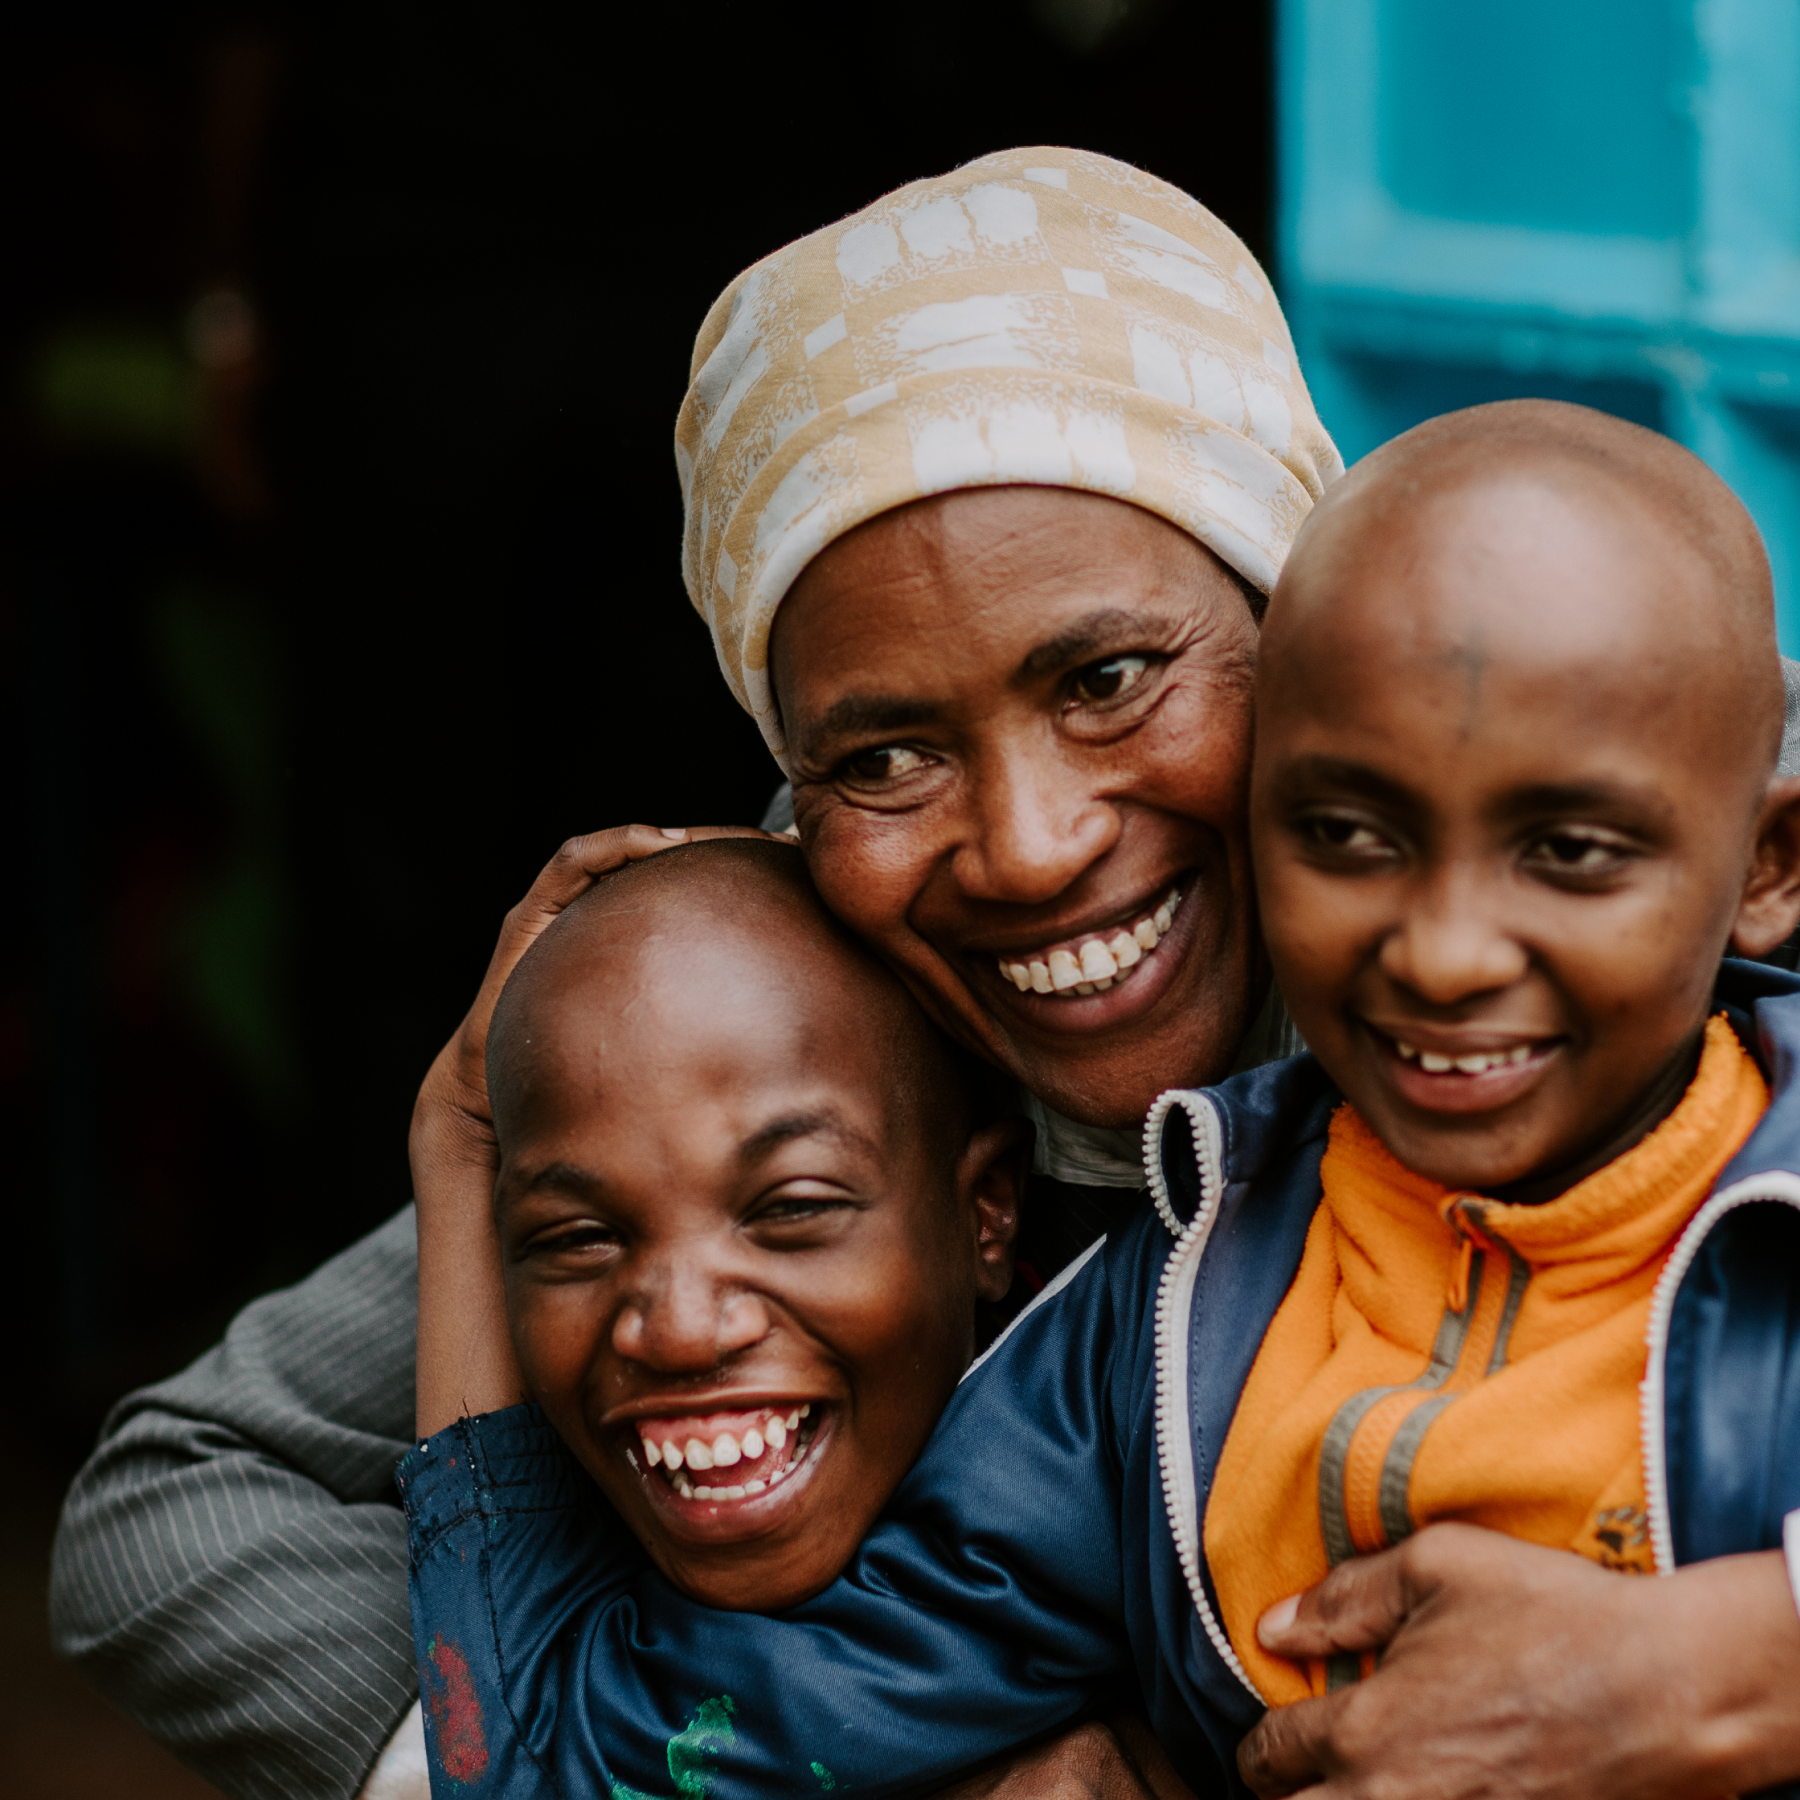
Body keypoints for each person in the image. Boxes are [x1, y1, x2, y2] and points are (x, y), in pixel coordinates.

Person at [48, 148, 1800, 1799]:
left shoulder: (1657, 970)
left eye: (1112, 675)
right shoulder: (796, 1036)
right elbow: (174, 1512)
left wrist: (1726, 1672)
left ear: (1302, 633)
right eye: (882, 759)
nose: (1030, 846)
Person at [402, 401, 1800, 1796]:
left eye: (1566, 849)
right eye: (1346, 836)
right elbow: (575, 1760)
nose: (1440, 950)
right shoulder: (1154, 1350)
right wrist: (464, 1154)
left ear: (1768, 866)